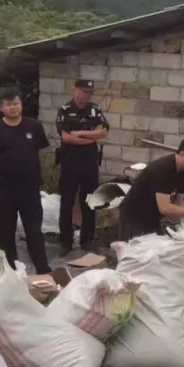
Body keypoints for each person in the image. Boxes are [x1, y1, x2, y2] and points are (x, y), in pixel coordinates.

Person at [0, 87, 52, 274]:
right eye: (8, 104)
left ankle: (43, 270)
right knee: (6, 232)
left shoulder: (34, 126)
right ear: (1, 108)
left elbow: (42, 152)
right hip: (4, 189)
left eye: (16, 103)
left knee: (34, 231)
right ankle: (10, 271)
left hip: (29, 188)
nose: (13, 108)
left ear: (21, 105)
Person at [117, 136, 184, 241]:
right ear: (183, 154)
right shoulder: (163, 170)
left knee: (152, 251)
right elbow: (165, 208)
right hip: (134, 216)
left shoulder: (183, 173)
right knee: (135, 252)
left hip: (152, 216)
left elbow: (179, 203)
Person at [56, 80, 109, 252]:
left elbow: (103, 134)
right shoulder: (65, 110)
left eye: (89, 93)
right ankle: (66, 242)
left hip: (89, 163)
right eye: (83, 91)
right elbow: (66, 138)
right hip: (69, 162)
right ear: (74, 90)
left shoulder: (95, 109)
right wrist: (90, 138)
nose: (85, 95)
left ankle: (87, 240)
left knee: (90, 202)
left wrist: (80, 133)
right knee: (67, 203)